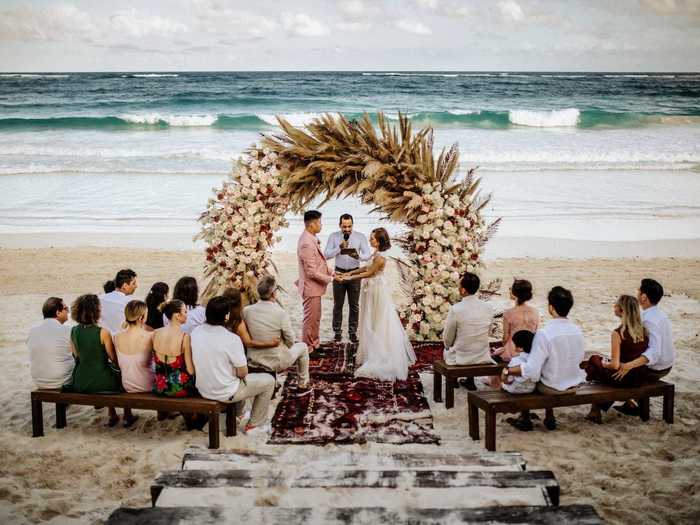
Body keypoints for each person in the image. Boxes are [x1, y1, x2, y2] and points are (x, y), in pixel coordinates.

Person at [500, 286, 586, 431]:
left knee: (529, 378)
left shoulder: (545, 334)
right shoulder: (577, 330)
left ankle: (525, 417)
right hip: (574, 382)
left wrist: (508, 371)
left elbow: (531, 371)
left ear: (551, 308)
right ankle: (549, 415)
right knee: (547, 367)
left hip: (553, 386)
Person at [338, 228, 416, 381]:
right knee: (370, 319)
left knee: (376, 320)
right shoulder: (376, 253)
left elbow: (370, 272)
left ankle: (379, 352)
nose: (370, 240)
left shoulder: (380, 257)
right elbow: (365, 267)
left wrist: (347, 278)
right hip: (371, 288)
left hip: (376, 290)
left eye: (372, 238)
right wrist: (350, 273)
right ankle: (369, 349)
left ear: (380, 241)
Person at [191, 296, 275, 434]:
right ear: (226, 316)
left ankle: (239, 414)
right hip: (224, 391)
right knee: (268, 381)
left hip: (203, 388)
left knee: (233, 377)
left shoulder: (196, 332)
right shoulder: (231, 339)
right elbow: (243, 373)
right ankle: (255, 425)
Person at [64, 294, 136, 427]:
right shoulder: (103, 332)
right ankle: (127, 413)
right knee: (119, 374)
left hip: (81, 380)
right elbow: (113, 359)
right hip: (101, 381)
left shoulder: (73, 331)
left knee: (106, 371)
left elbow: (77, 356)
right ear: (95, 311)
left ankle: (112, 413)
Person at [611, 278, 675, 416]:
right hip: (668, 364)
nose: (637, 294)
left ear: (644, 297)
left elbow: (654, 353)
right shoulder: (661, 314)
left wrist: (628, 365)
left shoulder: (648, 320)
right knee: (621, 360)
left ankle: (627, 402)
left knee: (615, 371)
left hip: (656, 369)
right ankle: (632, 403)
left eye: (639, 291)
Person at [583, 295, 649, 423]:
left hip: (623, 377)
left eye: (616, 305)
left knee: (594, 361)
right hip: (639, 376)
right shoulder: (643, 330)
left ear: (622, 311)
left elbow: (614, 365)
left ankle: (595, 411)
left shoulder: (618, 333)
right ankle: (629, 401)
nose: (614, 307)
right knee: (598, 364)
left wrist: (603, 364)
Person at [243, 276, 311, 388]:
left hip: (253, 358)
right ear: (274, 293)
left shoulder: (246, 311)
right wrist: (283, 346)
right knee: (303, 347)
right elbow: (290, 340)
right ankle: (302, 383)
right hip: (275, 360)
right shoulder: (280, 313)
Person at [323, 213, 371, 343]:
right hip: (339, 273)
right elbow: (326, 255)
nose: (347, 229)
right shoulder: (333, 237)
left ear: (352, 225)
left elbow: (368, 255)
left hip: (355, 273)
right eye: (344, 227)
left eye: (349, 226)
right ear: (340, 225)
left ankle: (352, 332)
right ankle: (337, 332)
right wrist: (339, 248)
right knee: (337, 304)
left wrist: (358, 256)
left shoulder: (360, 237)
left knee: (354, 305)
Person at [442, 271, 495, 390]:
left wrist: (447, 346)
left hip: (461, 357)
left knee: (450, 347)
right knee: (471, 339)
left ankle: (454, 379)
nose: (458, 288)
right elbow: (489, 331)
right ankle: (470, 380)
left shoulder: (456, 309)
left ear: (463, 290)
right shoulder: (488, 307)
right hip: (482, 355)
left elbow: (447, 338)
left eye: (459, 286)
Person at [296, 210, 335, 352]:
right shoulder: (306, 242)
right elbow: (311, 272)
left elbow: (319, 262)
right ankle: (308, 348)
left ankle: (315, 343)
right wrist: (329, 279)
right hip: (310, 287)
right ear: (312, 224)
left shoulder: (311, 237)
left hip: (315, 287)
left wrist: (332, 271)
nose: (321, 225)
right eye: (319, 222)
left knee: (316, 318)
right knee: (310, 319)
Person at [27, 297, 74, 389]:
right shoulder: (68, 330)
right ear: (58, 312)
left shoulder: (32, 331)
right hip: (63, 381)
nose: (68, 312)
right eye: (66, 309)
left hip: (39, 381)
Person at [152, 300, 196, 398]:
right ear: (177, 315)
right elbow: (190, 370)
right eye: (185, 311)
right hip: (178, 389)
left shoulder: (155, 333)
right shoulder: (185, 337)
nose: (187, 314)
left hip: (159, 387)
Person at [492, 279, 539, 363]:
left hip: (512, 351)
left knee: (496, 353)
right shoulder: (535, 312)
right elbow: (535, 333)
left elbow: (505, 338)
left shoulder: (508, 313)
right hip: (530, 351)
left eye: (511, 288)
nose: (509, 290)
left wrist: (502, 348)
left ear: (514, 293)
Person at [115, 300, 154, 396]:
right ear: (141, 318)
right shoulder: (150, 336)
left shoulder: (116, 337)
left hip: (127, 386)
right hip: (148, 386)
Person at [99, 269, 138, 336]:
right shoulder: (130, 303)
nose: (136, 286)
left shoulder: (99, 298)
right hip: (122, 341)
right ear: (125, 286)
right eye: (133, 283)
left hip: (103, 340)